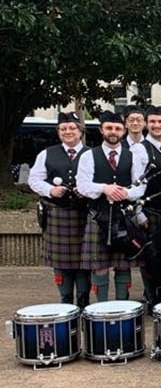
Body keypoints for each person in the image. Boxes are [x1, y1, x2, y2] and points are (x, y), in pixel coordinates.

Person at [76, 111, 147, 302]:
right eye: (109, 128)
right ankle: (101, 308)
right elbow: (82, 186)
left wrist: (125, 193)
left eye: (117, 128)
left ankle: (122, 308)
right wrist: (105, 188)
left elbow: (141, 186)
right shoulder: (89, 156)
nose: (113, 132)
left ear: (123, 131)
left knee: (123, 266)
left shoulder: (133, 157)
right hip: (98, 216)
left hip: (124, 217)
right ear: (101, 130)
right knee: (99, 266)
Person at [27, 112, 91, 307]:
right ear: (58, 132)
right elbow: (34, 179)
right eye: (63, 129)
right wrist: (50, 190)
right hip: (57, 214)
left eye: (72, 128)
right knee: (61, 265)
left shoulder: (91, 154)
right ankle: (65, 303)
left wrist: (87, 191)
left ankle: (83, 302)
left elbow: (99, 181)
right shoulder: (47, 153)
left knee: (84, 264)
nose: (68, 131)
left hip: (85, 215)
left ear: (80, 131)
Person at [131, 105, 161, 307]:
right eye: (153, 122)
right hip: (149, 210)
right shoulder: (140, 149)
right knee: (150, 256)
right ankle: (152, 297)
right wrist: (138, 213)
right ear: (146, 124)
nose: (157, 125)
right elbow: (136, 182)